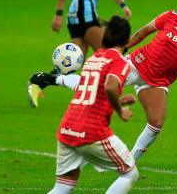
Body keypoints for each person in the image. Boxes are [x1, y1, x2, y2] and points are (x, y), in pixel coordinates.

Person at [37, 0, 177, 161]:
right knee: (98, 87)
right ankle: (53, 79)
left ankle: (130, 160)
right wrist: (120, 52)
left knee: (156, 124)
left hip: (158, 81)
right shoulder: (170, 17)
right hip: (136, 64)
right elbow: (143, 32)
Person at [30, 16, 138, 194]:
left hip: (67, 129)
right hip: (92, 132)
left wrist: (118, 100)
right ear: (127, 40)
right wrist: (120, 111)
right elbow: (110, 85)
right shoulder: (119, 62)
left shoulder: (94, 58)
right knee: (129, 174)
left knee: (63, 186)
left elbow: (90, 91)